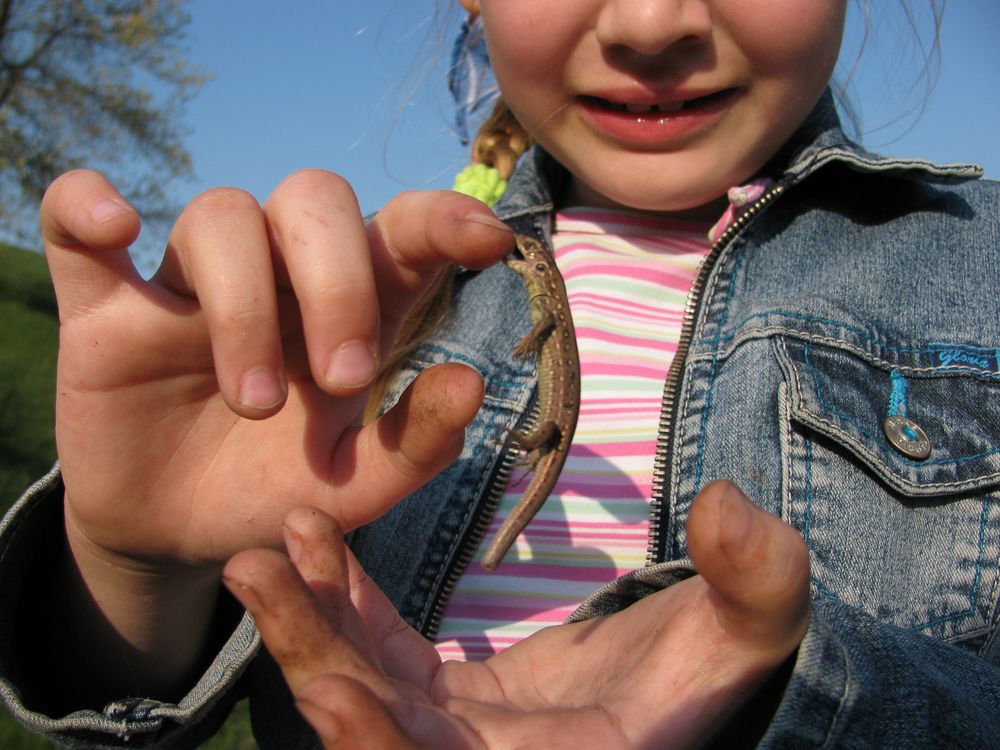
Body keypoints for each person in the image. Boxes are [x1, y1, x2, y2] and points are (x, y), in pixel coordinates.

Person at [1, 0, 998, 747]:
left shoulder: (976, 262)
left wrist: (790, 683)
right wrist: (134, 563)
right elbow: (126, 703)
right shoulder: (375, 295)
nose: (650, 21)